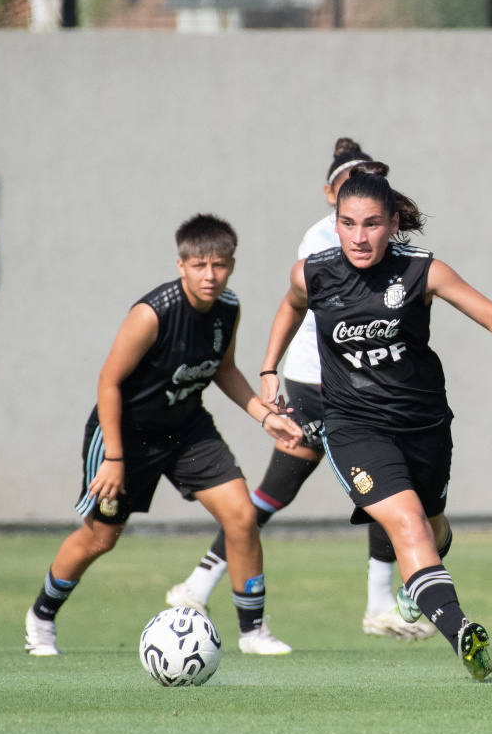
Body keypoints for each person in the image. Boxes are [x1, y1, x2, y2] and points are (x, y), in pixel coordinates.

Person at [260, 161, 492, 681]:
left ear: (393, 222)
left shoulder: (422, 270)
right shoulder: (313, 272)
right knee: (406, 523)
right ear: (335, 223)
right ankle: (462, 631)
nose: (359, 236)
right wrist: (269, 369)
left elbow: (488, 312)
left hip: (423, 426)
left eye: (372, 223)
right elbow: (290, 306)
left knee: (434, 527)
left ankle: (420, 586)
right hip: (353, 426)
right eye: (348, 223)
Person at [165, 139, 437, 643]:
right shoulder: (324, 238)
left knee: (384, 489)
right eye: (349, 183)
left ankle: (378, 604)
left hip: (367, 384)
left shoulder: (382, 234)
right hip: (320, 382)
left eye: (372, 177)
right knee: (281, 487)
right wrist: (271, 372)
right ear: (332, 192)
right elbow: (310, 303)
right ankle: (198, 583)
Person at [23, 214, 303, 657]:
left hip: (187, 429)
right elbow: (108, 381)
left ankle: (252, 633)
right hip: (125, 434)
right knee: (101, 537)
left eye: (220, 265)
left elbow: (224, 370)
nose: (210, 276)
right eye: (200, 266)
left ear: (231, 265)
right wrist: (114, 458)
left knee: (242, 516)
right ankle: (41, 617)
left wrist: (264, 417)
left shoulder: (228, 308)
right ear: (181, 265)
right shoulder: (152, 313)